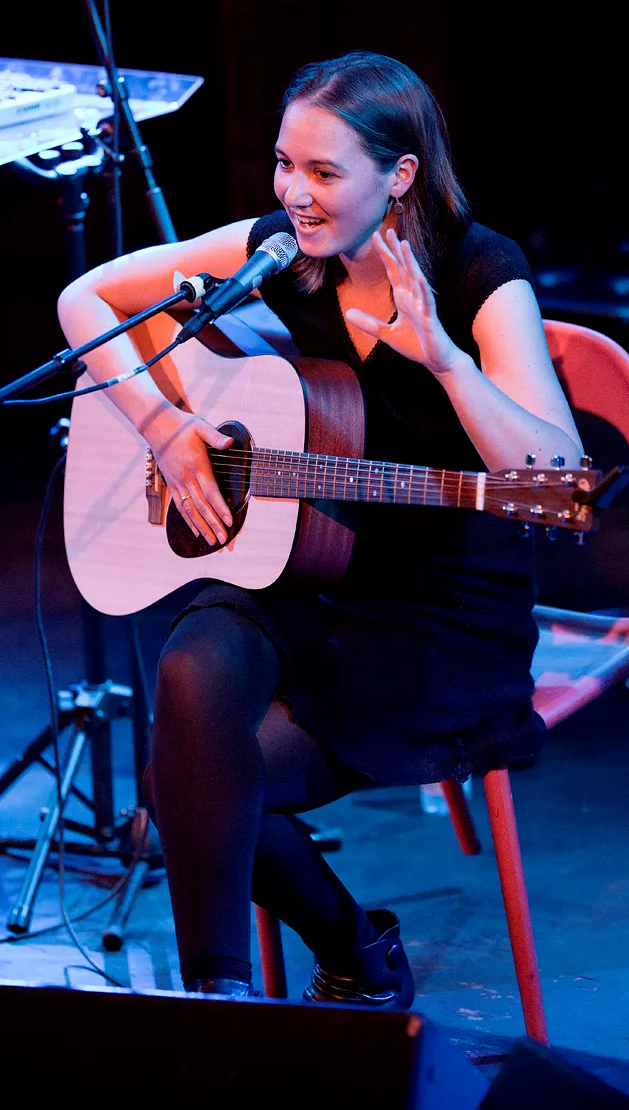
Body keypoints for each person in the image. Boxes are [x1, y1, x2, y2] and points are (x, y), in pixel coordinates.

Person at [57, 51, 582, 1006]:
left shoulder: (479, 269)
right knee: (191, 668)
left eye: (324, 173)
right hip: (310, 570)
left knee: (201, 784)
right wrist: (167, 427)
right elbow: (85, 300)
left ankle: (347, 949)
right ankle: (218, 1002)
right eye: (283, 164)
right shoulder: (284, 252)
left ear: (400, 175)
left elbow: (553, 473)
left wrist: (449, 363)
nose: (294, 194)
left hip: (441, 615)